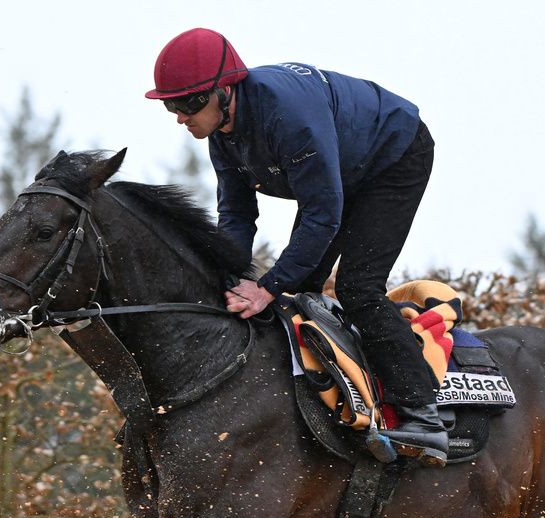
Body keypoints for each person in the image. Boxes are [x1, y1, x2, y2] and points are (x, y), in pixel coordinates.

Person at [146, 28, 447, 466]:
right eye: (171, 105)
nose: (179, 117)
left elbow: (322, 214)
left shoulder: (287, 116)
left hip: (394, 157)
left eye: (188, 103)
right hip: (344, 166)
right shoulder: (221, 133)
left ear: (225, 91)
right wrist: (223, 278)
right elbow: (237, 216)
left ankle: (423, 415)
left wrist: (265, 287)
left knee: (357, 286)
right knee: (298, 290)